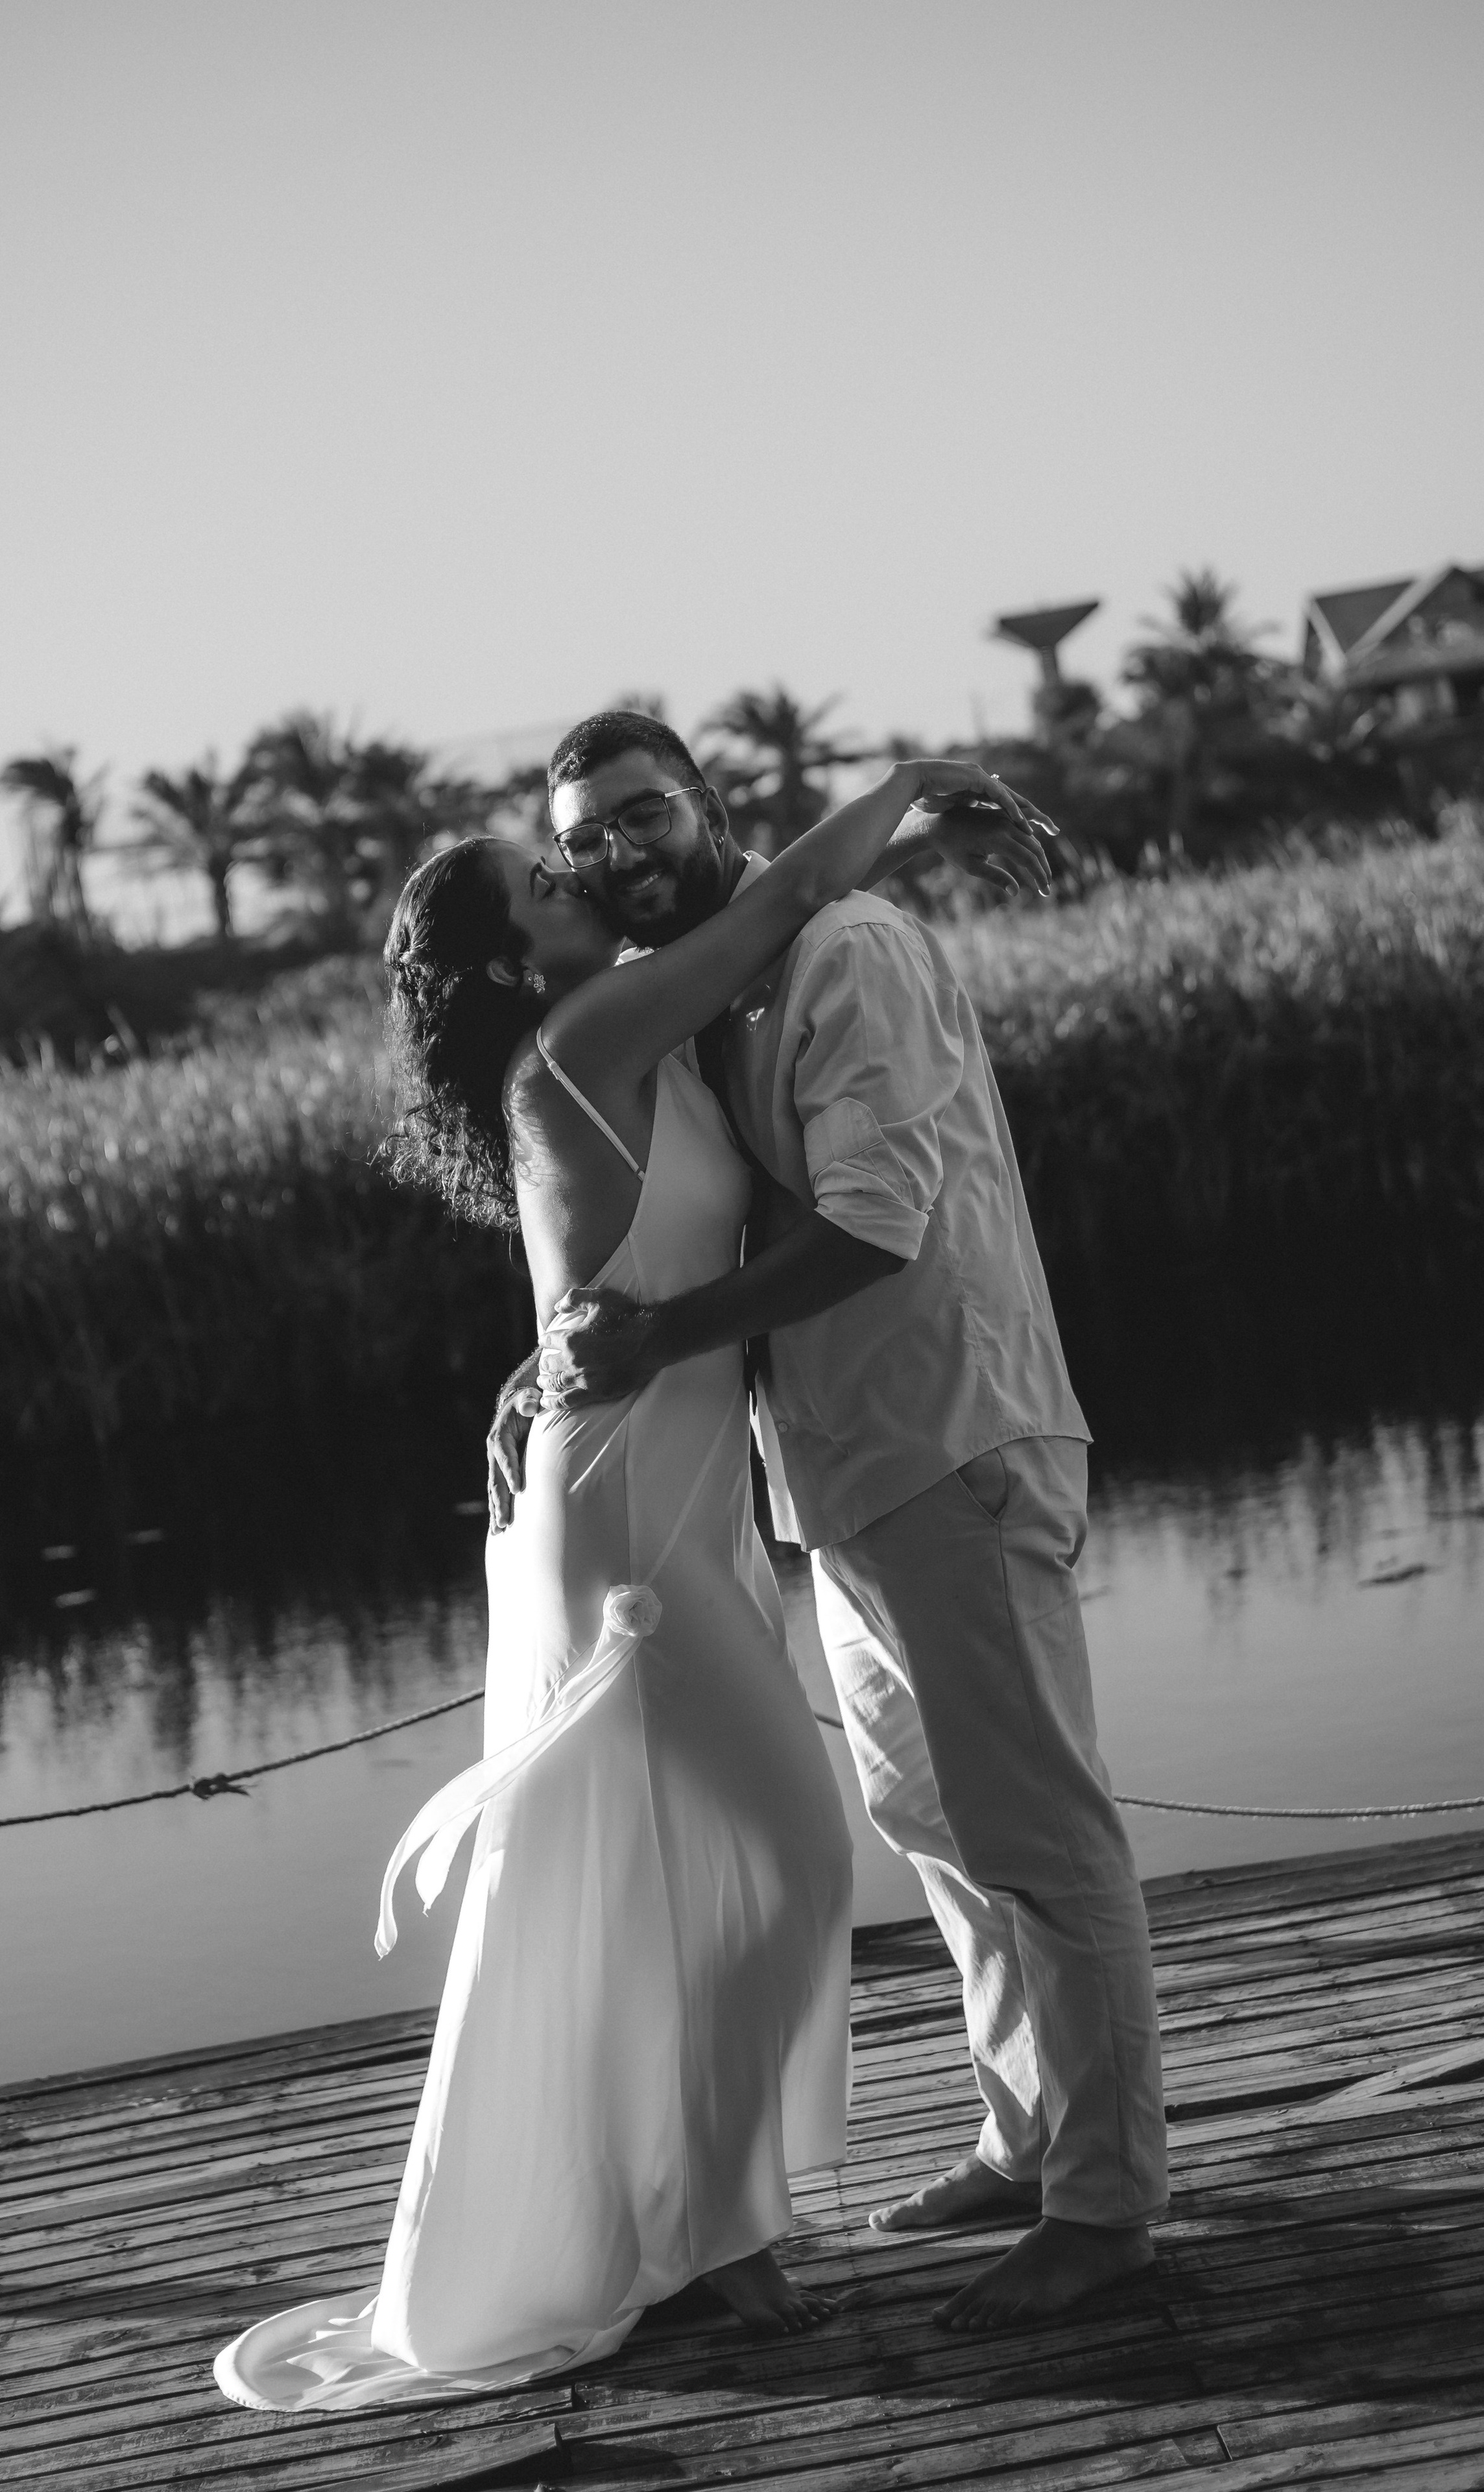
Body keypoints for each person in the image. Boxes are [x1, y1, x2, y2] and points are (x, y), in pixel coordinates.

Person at [214, 744, 1040, 2411]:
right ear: (520, 959)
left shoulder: (633, 1038)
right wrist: (918, 786)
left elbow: (625, 1274)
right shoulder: (586, 1037)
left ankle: (670, 2215)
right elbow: (796, 887)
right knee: (800, 1858)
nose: (577, 881)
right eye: (545, 881)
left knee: (660, 1884)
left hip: (669, 1489)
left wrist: (535, 1367)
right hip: (619, 1536)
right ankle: (722, 2225)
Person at [522, 711, 1169, 2336]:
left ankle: (1104, 2207)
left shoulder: (848, 955)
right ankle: (1023, 2138)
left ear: (709, 802)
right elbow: (673, 1231)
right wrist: (546, 1361)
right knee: (938, 1822)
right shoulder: (725, 990)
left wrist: (658, 1345)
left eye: (639, 811)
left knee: (1035, 1828)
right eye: (583, 839)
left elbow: (879, 1224)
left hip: (949, 1437)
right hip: (846, 1472)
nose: (618, 853)